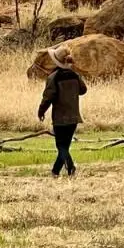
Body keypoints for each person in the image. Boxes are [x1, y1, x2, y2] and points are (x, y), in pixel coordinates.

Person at [37, 46, 87, 178]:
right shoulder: (75, 75)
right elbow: (83, 90)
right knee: (65, 146)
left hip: (60, 117)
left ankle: (67, 169)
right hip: (74, 117)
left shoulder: (53, 77)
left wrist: (41, 111)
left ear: (56, 61)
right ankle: (59, 171)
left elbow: (48, 97)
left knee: (61, 146)